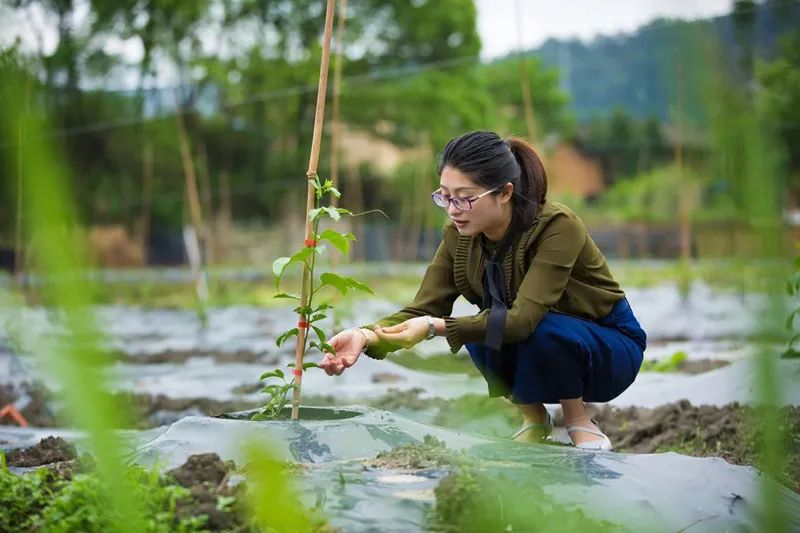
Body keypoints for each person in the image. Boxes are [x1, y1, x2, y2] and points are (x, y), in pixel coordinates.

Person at [319, 130, 646, 451]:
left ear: (504, 192)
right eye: (444, 196)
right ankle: (534, 418)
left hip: (608, 345)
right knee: (481, 330)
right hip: (541, 343)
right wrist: (365, 335)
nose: (452, 209)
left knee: (533, 327)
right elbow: (424, 308)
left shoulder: (557, 226)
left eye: (464, 197)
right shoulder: (458, 236)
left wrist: (437, 328)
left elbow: (523, 321)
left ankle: (578, 419)